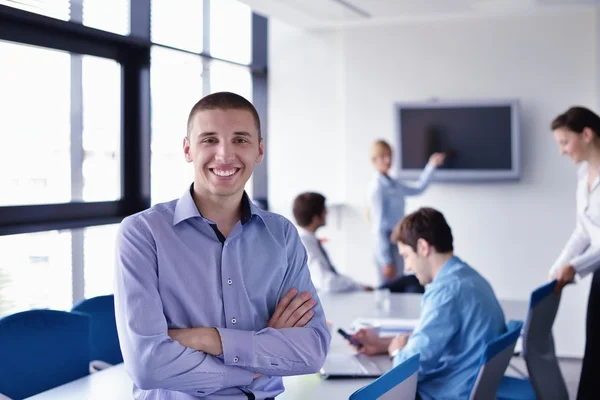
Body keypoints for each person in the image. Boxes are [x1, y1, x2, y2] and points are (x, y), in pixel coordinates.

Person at [114, 92, 331, 400]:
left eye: (240, 140)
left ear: (259, 150)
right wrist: (257, 361)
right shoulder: (143, 233)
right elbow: (147, 364)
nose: (225, 155)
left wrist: (209, 339)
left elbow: (312, 350)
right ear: (188, 149)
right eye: (209, 140)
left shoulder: (281, 234)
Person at [346, 207, 506, 400]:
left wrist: (397, 351)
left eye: (406, 256)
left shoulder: (446, 291)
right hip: (470, 384)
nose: (407, 267)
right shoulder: (469, 277)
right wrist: (381, 345)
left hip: (449, 392)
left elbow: (409, 369)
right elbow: (438, 340)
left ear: (422, 247)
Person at [548, 106, 600, 400]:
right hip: (598, 271)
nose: (562, 151)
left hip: (594, 266)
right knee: (594, 348)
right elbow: (584, 230)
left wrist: (575, 268)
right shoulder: (584, 174)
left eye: (565, 142)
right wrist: (558, 266)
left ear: (587, 134)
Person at [367, 139, 445, 284]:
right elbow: (378, 227)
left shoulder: (393, 183)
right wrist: (386, 260)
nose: (388, 160)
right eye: (383, 156)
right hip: (386, 247)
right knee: (390, 291)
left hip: (397, 242)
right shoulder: (377, 188)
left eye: (390, 155)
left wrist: (431, 166)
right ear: (374, 160)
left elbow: (418, 188)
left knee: (400, 286)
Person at [293, 192, 372, 293]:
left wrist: (358, 285)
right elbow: (327, 282)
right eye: (324, 210)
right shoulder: (304, 244)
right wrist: (359, 287)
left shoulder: (308, 241)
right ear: (315, 218)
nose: (327, 213)